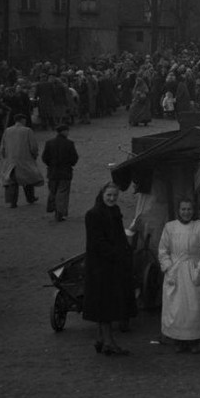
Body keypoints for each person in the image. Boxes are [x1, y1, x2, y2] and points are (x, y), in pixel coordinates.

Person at [81, 182, 135, 355]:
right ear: (102, 195)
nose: (112, 199)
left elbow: (119, 235)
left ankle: (102, 339)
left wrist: (125, 250)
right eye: (109, 196)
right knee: (105, 305)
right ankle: (109, 342)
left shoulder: (115, 211)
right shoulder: (93, 215)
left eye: (114, 196)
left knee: (107, 303)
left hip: (113, 265)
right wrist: (117, 254)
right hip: (100, 266)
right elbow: (97, 242)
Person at [159, 198, 200, 353]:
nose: (186, 212)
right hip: (175, 271)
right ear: (179, 211)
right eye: (183, 209)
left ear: (194, 210)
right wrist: (168, 268)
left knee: (195, 307)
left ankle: (196, 339)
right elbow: (163, 251)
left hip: (194, 270)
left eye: (189, 209)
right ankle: (179, 339)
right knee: (177, 308)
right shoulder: (170, 227)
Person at [0, 112, 43, 207]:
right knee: (28, 178)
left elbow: (3, 145)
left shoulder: (7, 130)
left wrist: (4, 156)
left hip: (11, 159)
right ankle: (30, 197)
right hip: (25, 158)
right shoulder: (27, 131)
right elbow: (33, 146)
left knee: (12, 181)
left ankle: (13, 202)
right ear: (23, 120)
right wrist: (34, 155)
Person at [41, 123, 79, 222]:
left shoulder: (49, 143)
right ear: (64, 131)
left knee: (53, 191)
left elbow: (44, 157)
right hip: (65, 172)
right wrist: (70, 164)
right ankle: (60, 212)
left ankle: (54, 209)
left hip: (52, 172)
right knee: (63, 192)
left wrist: (50, 165)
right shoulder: (69, 143)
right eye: (67, 131)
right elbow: (74, 158)